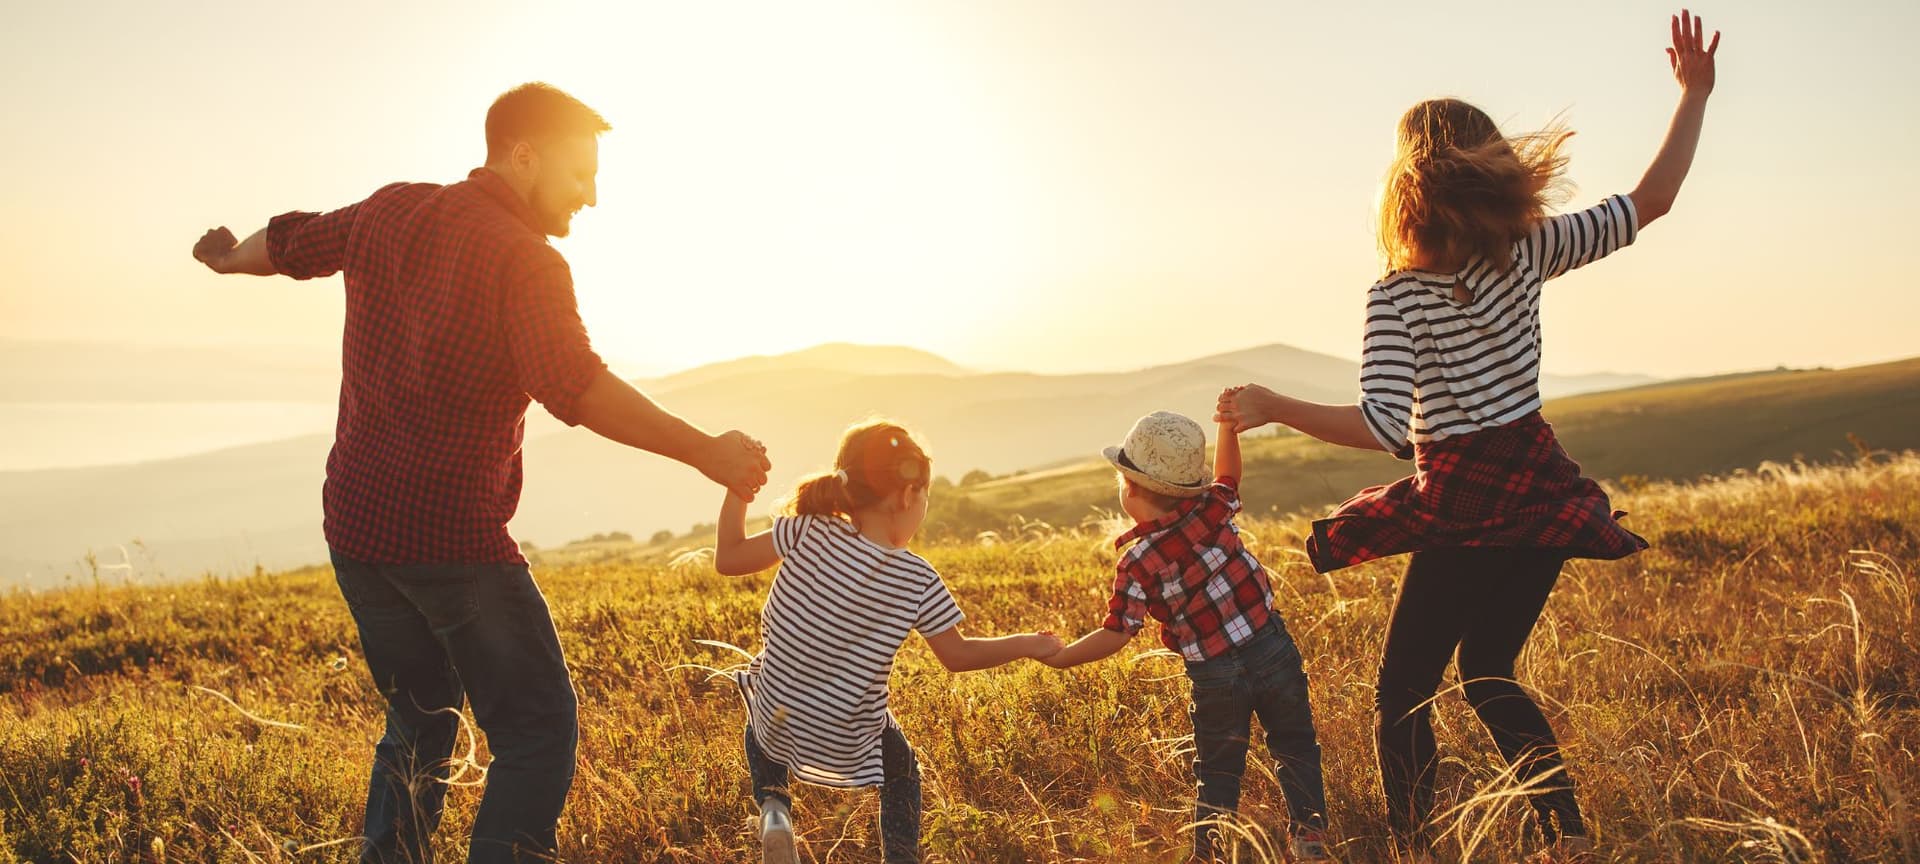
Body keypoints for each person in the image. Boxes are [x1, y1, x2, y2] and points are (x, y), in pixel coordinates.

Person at [190, 82, 772, 864]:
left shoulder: (391, 209)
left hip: (357, 527)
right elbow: (576, 386)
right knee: (537, 729)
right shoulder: (526, 263)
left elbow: (291, 242)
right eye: (579, 174)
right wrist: (704, 449)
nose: (591, 197)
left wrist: (229, 259)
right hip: (450, 540)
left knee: (421, 716)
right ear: (523, 153)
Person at [1216, 11, 1719, 861]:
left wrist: (1273, 403)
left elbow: (1383, 426)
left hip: (1461, 505)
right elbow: (1653, 201)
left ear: (1406, 186)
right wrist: (1695, 95)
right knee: (1489, 673)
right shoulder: (1527, 250)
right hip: (1538, 488)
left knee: (1403, 690)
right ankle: (1568, 835)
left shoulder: (1399, 293)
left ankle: (1416, 845)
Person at [712, 420, 1063, 864]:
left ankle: (774, 807)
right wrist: (1027, 643)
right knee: (902, 775)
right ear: (906, 496)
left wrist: (738, 491)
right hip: (849, 726)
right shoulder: (918, 579)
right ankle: (900, 857)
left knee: (762, 702)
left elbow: (728, 558)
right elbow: (958, 654)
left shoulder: (805, 528)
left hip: (778, 707)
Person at [1042, 410, 1329, 862]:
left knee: (1218, 768)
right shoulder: (1212, 508)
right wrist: (1226, 425)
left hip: (1214, 674)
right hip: (1271, 646)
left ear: (1130, 489)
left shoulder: (1137, 562)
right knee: (1294, 744)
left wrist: (1061, 656)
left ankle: (1209, 853)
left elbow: (1116, 634)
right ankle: (1310, 838)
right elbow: (1230, 473)